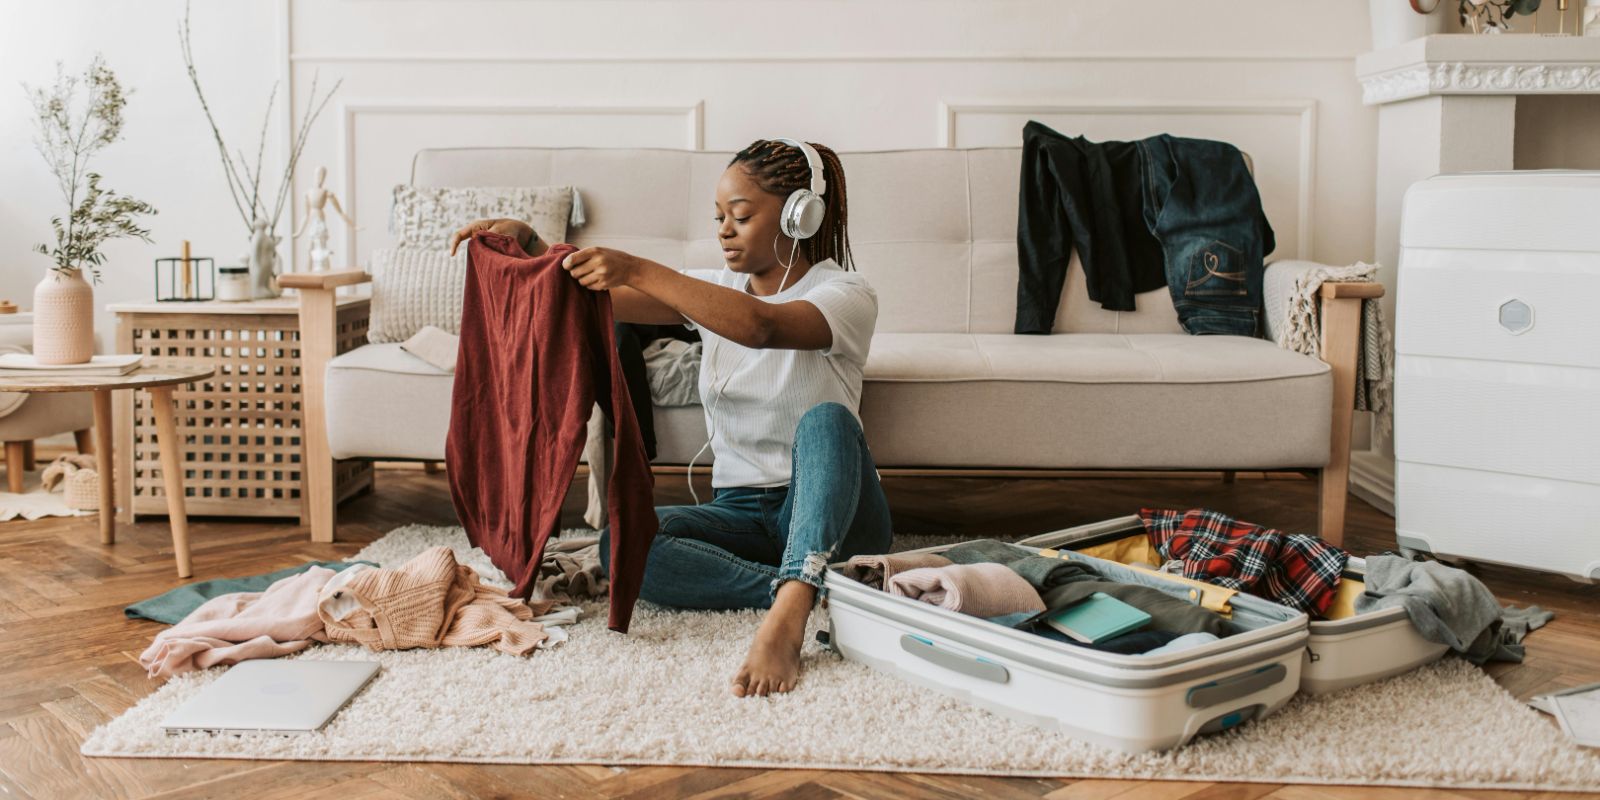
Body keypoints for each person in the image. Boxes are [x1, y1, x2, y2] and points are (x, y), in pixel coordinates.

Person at [449, 139, 891, 697]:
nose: (724, 230)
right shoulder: (713, 292)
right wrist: (530, 244)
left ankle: (796, 604)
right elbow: (590, 295)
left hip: (839, 516)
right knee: (624, 546)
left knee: (826, 420)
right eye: (718, 218)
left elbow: (762, 326)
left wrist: (636, 266)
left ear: (801, 213)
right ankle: (804, 588)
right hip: (744, 513)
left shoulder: (846, 293)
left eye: (742, 215)